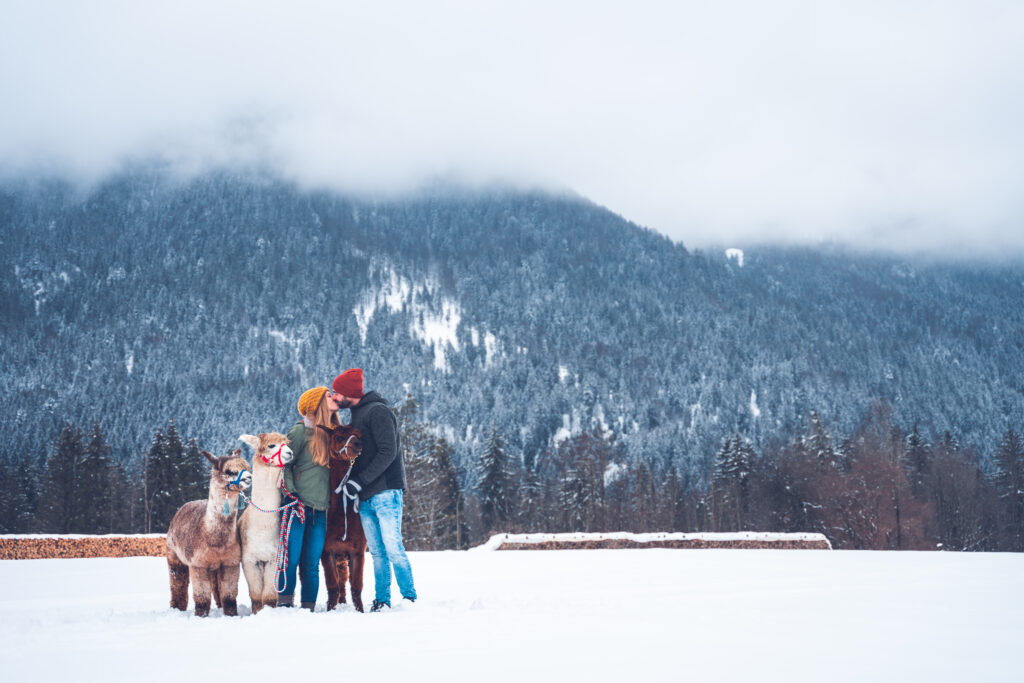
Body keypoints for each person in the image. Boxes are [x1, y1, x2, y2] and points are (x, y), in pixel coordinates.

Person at [331, 368, 417, 611]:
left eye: (337, 393)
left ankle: (409, 597)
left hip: (386, 491)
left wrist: (360, 481)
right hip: (366, 495)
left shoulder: (378, 411)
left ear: (349, 393)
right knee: (378, 552)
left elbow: (387, 452)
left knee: (393, 547)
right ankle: (383, 600)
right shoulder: (357, 415)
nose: (335, 397)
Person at [278, 385, 342, 610]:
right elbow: (284, 466)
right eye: (328, 395)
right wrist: (292, 494)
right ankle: (284, 607)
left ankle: (308, 609)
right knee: (290, 560)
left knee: (311, 565)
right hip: (297, 508)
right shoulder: (299, 432)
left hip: (321, 510)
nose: (333, 397)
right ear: (317, 403)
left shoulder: (336, 434)